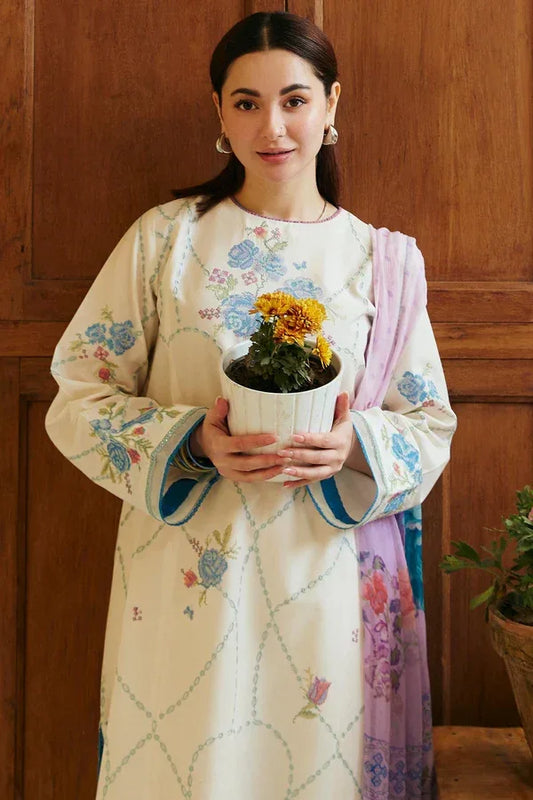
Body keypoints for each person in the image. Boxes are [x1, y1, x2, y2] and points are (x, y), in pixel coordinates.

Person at [46, 11, 456, 800]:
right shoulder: (166, 242)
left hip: (327, 583)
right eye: (245, 102)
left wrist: (354, 447)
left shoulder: (380, 263)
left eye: (294, 100)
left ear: (332, 106)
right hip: (187, 581)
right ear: (218, 112)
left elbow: (427, 420)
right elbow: (79, 392)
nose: (272, 126)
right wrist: (188, 441)